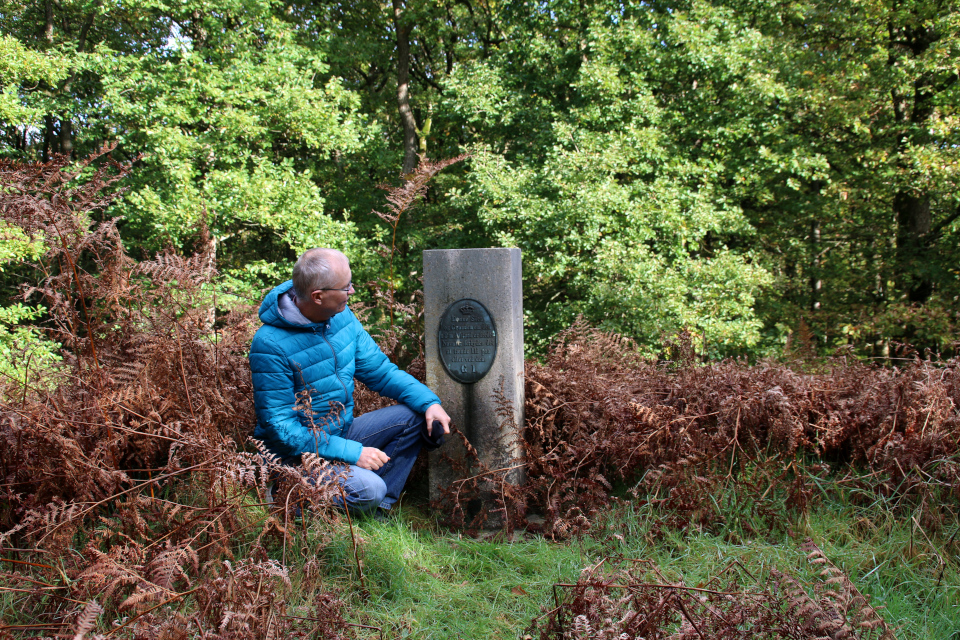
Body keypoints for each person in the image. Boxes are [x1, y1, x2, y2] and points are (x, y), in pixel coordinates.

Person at [250, 248, 451, 516]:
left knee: (414, 416)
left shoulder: (341, 318)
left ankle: (378, 510)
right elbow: (282, 430)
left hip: (339, 433)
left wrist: (429, 402)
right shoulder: (269, 344)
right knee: (368, 488)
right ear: (318, 296)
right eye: (345, 287)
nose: (352, 292)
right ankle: (288, 497)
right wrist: (353, 453)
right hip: (295, 459)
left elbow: (380, 371)